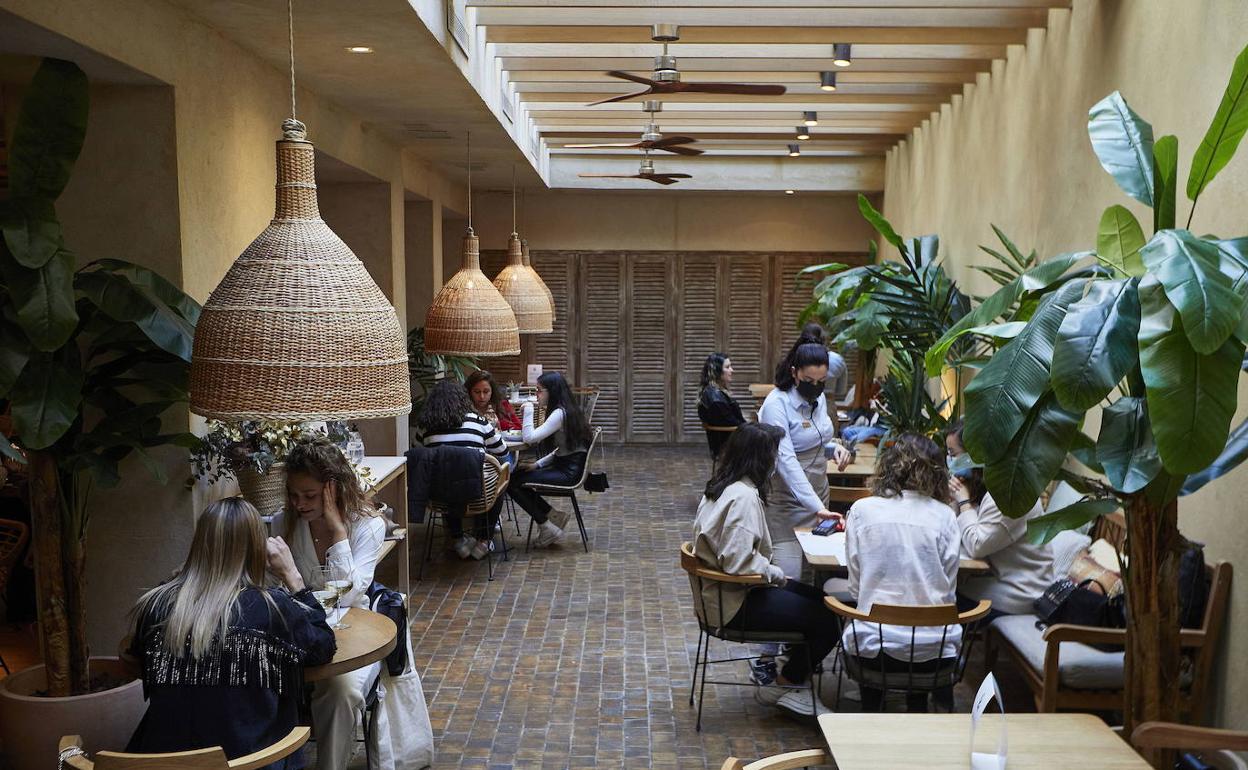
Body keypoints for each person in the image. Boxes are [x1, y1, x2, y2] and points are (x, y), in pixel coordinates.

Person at [126, 498, 335, 767]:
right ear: (258, 548)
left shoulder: (156, 604)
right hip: (250, 762)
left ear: (198, 545)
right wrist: (293, 577)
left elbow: (141, 659)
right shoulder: (270, 608)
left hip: (164, 762)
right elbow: (323, 647)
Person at [691, 422, 839, 717]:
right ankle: (788, 683)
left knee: (818, 598)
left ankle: (793, 675)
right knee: (829, 617)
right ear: (761, 459)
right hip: (734, 602)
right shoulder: (743, 497)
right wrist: (774, 573)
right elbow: (737, 561)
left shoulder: (723, 487)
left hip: (726, 594)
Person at [271, 435, 387, 770]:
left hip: (355, 632)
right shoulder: (284, 524)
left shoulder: (367, 525)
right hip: (298, 633)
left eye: (309, 495)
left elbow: (349, 595)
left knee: (341, 691)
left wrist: (338, 532)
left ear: (333, 489)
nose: (299, 504)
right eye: (293, 495)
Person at [843, 433, 960, 712]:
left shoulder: (862, 510)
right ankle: (917, 709)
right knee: (920, 649)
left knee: (864, 621)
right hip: (934, 653)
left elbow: (856, 588)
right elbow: (948, 590)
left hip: (874, 650)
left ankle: (872, 710)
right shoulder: (945, 516)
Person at [757, 327, 853, 578]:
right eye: (809, 381)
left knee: (815, 574)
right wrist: (815, 507)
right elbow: (786, 460)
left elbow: (817, 440)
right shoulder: (776, 405)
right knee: (788, 578)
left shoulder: (818, 400)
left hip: (820, 497)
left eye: (821, 382)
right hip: (787, 503)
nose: (815, 387)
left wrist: (834, 449)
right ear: (794, 372)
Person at [946, 421, 1054, 619]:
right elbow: (957, 527)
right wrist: (957, 500)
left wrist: (962, 501)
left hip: (1021, 590)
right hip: (1002, 577)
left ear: (974, 455)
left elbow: (977, 544)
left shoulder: (1009, 493)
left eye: (953, 454)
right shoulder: (983, 485)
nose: (950, 461)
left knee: (944, 599)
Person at [416, 378, 510, 559]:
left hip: (439, 497)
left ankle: (458, 539)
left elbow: (418, 454)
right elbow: (503, 450)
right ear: (463, 399)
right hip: (479, 494)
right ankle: (484, 539)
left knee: (448, 475)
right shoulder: (478, 422)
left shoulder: (425, 427)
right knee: (501, 479)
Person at [508, 371, 593, 548]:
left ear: (551, 391)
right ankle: (553, 515)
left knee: (512, 482)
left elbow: (530, 438)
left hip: (568, 472)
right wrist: (538, 464)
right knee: (516, 476)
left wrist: (529, 410)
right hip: (565, 465)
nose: (536, 395)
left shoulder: (559, 414)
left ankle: (547, 526)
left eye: (539, 390)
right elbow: (561, 450)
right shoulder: (565, 410)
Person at [696, 352, 746, 459]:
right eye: (727, 367)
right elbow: (733, 424)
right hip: (729, 447)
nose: (732, 370)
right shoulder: (715, 399)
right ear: (717, 372)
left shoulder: (714, 392)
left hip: (732, 441)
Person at [801, 321, 848, 394]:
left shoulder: (794, 359)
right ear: (824, 339)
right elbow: (841, 390)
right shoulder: (837, 360)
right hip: (828, 403)